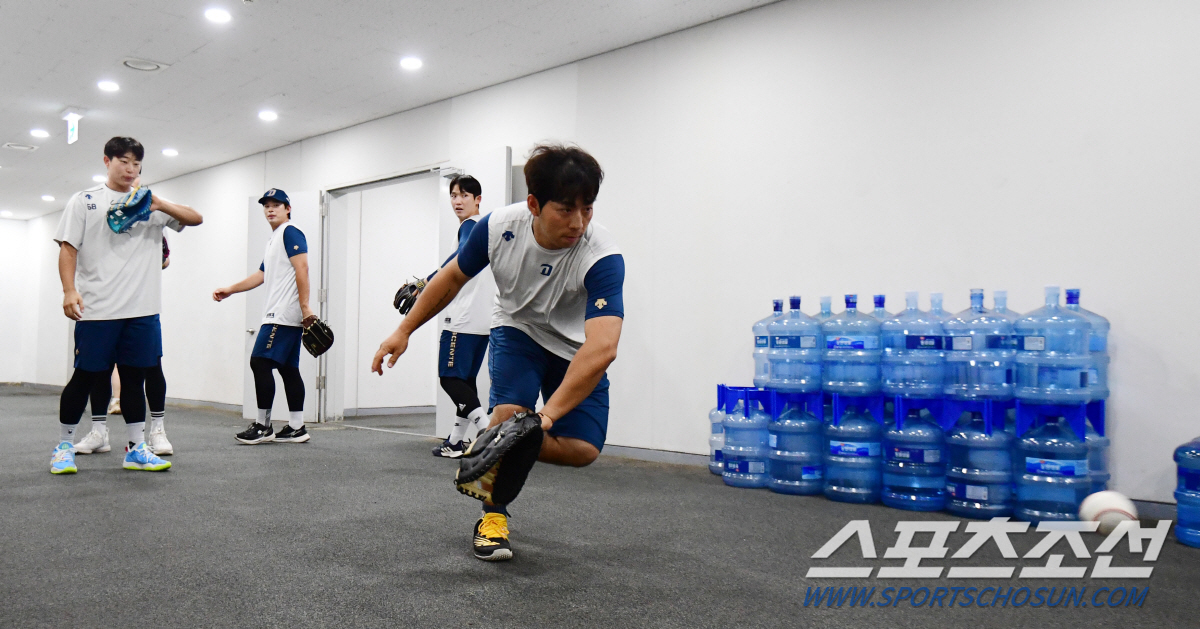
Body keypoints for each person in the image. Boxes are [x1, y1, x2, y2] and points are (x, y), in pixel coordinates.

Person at [372, 144, 625, 561]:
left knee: (583, 451)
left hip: (573, 346)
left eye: (587, 208)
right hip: (517, 328)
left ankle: (492, 443)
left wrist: (543, 420)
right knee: (510, 418)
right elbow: (451, 277)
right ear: (533, 204)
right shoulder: (497, 227)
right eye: (565, 209)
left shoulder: (601, 255)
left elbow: (603, 345)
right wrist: (403, 330)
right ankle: (493, 518)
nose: (578, 222)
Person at [50, 136, 203, 474]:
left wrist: (160, 204)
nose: (131, 170)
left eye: (137, 164)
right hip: (98, 311)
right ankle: (63, 447)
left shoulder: (151, 204)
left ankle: (136, 448)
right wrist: (68, 290)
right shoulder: (85, 201)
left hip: (143, 312)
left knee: (135, 381)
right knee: (85, 378)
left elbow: (195, 218)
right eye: (124, 162)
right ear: (107, 161)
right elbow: (68, 249)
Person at [213, 189, 314, 445]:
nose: (270, 209)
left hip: (282, 314)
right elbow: (261, 275)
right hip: (280, 313)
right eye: (267, 205)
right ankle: (296, 427)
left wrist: (306, 308)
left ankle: (263, 425)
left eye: (276, 205)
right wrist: (230, 289)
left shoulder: (291, 231)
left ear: (287, 208)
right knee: (288, 368)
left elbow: (302, 267)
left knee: (259, 362)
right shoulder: (274, 239)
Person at [77, 233, 174, 456]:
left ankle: (157, 431)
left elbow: (164, 260)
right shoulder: (100, 218)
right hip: (104, 308)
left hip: (141, 307)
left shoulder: (151, 219)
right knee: (100, 368)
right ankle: (99, 432)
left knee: (151, 367)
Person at [429, 175, 497, 458]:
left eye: (464, 195)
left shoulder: (471, 226)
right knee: (465, 382)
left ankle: (489, 431)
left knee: (450, 379)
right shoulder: (488, 228)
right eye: (454, 195)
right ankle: (456, 442)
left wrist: (428, 281)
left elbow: (461, 256)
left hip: (463, 319)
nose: (457, 201)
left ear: (477, 199)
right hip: (483, 320)